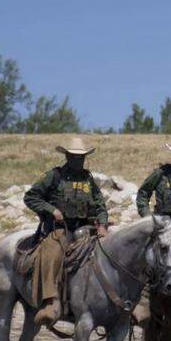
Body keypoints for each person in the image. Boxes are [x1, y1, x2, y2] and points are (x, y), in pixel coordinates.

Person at [22, 137, 109, 326]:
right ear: (67, 156)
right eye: (75, 157)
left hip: (86, 228)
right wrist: (51, 210)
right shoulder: (54, 176)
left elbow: (100, 205)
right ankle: (50, 301)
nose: (79, 160)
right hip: (59, 229)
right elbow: (31, 197)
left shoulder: (89, 179)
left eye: (81, 157)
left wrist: (102, 224)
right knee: (52, 253)